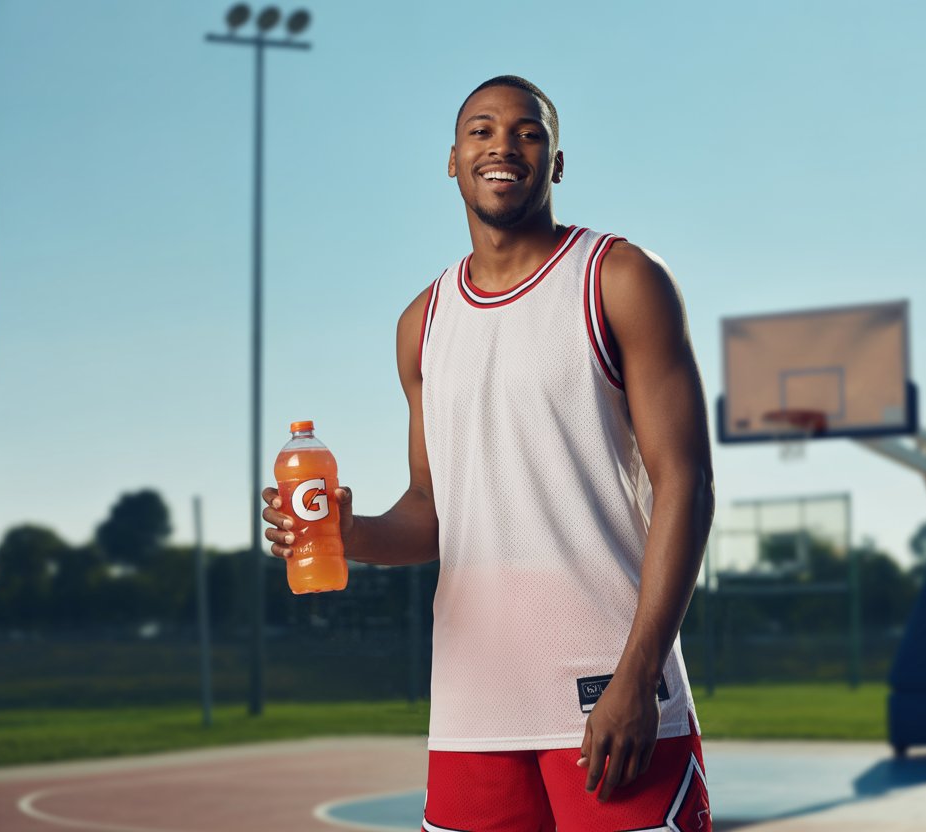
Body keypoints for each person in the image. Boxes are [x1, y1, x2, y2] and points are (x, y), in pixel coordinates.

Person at [263, 75, 715, 831]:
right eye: (481, 130)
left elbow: (686, 484)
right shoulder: (423, 323)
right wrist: (352, 535)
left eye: (528, 131)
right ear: (451, 159)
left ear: (557, 162)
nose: (503, 145)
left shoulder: (619, 279)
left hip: (609, 692)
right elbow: (431, 511)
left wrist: (638, 674)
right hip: (473, 708)